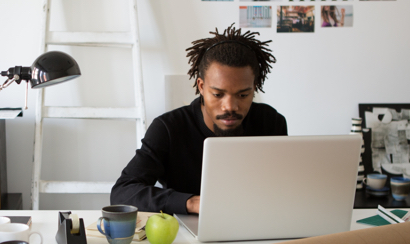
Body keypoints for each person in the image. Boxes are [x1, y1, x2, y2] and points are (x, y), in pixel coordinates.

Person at [110, 24, 287, 215]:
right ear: (201, 86)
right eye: (218, 94)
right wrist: (192, 203)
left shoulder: (271, 121)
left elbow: (285, 185)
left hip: (258, 224)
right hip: (189, 234)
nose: (230, 107)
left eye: (243, 95)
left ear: (254, 88)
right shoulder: (169, 128)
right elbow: (123, 192)